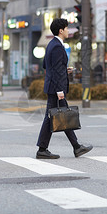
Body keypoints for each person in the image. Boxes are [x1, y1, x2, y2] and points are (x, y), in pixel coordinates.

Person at [36, 18, 93, 159]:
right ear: (61, 31)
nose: (68, 31)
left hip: (53, 87)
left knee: (61, 116)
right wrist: (60, 90)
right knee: (58, 116)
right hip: (56, 88)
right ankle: (46, 149)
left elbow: (46, 65)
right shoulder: (56, 46)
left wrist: (63, 69)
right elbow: (53, 70)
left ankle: (75, 147)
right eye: (67, 28)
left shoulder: (52, 44)